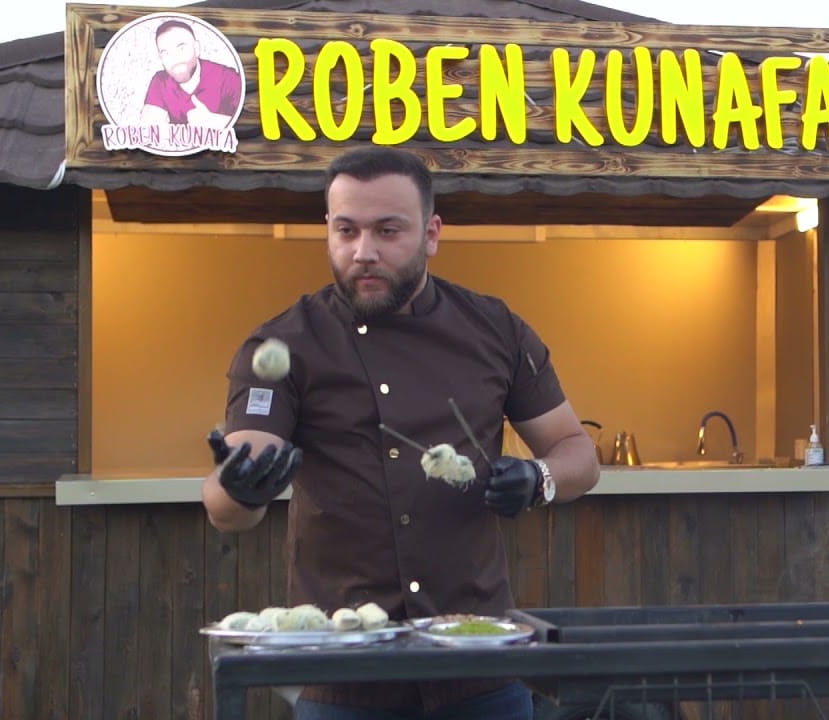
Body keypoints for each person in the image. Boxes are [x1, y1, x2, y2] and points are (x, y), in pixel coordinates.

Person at [200, 146, 600, 719]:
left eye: (388, 231)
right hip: (345, 678)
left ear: (431, 233)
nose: (363, 251)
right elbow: (229, 501)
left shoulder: (495, 330)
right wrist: (241, 487)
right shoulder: (285, 344)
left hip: (479, 666)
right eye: (346, 230)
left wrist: (539, 479)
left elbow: (577, 454)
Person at [138, 19, 241, 127]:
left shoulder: (228, 78)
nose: (174, 59)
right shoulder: (160, 81)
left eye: (181, 48)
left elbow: (247, 120)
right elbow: (149, 123)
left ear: (197, 48)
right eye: (166, 53)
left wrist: (213, 122)